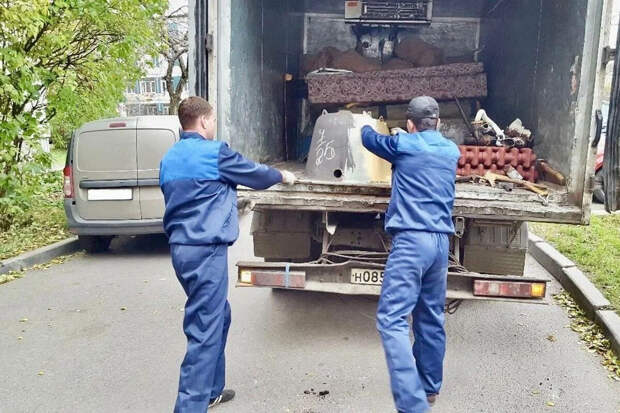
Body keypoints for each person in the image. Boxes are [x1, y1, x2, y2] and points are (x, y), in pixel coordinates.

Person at [159, 96, 296, 412]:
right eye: (214, 120)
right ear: (204, 121)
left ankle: (211, 390)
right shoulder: (214, 153)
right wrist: (281, 175)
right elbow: (254, 174)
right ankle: (191, 405)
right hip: (206, 251)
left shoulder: (169, 158)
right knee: (205, 329)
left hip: (181, 250)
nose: (214, 125)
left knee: (219, 314)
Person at [361, 96, 460, 413]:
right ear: (439, 123)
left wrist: (366, 121)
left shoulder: (403, 144)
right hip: (441, 243)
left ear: (409, 123)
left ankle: (413, 404)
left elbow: (368, 138)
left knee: (391, 321)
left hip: (412, 242)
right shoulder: (451, 150)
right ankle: (429, 388)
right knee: (430, 317)